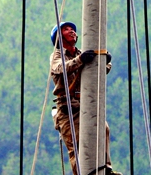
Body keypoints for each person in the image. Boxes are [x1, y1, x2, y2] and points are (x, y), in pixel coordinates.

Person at [49, 21, 120, 175]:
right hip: (67, 109)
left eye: (72, 29)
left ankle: (105, 168)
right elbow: (60, 68)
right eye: (66, 30)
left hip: (84, 104)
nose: (71, 31)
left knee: (103, 129)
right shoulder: (57, 55)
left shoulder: (79, 53)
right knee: (76, 147)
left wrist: (105, 62)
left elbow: (98, 72)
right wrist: (81, 60)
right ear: (59, 39)